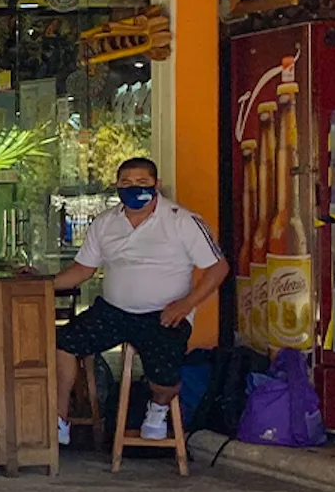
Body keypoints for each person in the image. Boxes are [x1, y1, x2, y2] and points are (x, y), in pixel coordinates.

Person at [50, 157, 229, 444]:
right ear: (116, 186)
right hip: (113, 312)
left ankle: (157, 409)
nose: (134, 189)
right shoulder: (105, 223)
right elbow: (83, 269)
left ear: (156, 185)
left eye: (142, 183)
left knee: (164, 380)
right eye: (126, 183)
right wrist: (44, 285)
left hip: (164, 315)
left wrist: (186, 304)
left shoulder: (182, 221)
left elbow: (218, 268)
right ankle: (59, 420)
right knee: (62, 343)